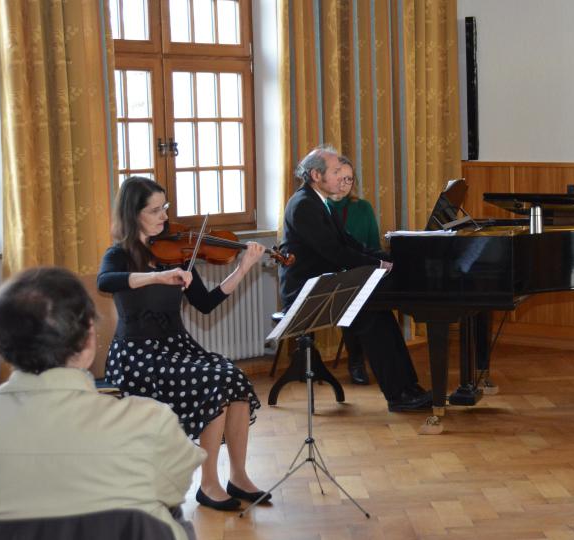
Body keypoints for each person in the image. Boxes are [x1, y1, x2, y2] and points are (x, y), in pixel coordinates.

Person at [0, 267, 205, 540]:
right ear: (89, 337)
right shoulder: (150, 421)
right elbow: (174, 489)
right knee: (172, 514)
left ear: (2, 344)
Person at [98, 176, 268, 511]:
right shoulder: (118, 254)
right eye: (155, 210)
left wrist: (244, 268)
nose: (164, 216)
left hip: (177, 347)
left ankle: (238, 476)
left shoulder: (176, 251)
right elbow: (106, 281)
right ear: (134, 215)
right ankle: (208, 484)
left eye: (166, 207)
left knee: (232, 376)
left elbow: (205, 303)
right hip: (137, 355)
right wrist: (156, 276)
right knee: (214, 381)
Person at [278, 145, 431, 412]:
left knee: (381, 311)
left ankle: (408, 388)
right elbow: (334, 253)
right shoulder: (304, 205)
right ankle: (398, 395)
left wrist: (390, 257)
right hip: (308, 293)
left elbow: (351, 244)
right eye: (336, 171)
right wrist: (379, 263)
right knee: (372, 316)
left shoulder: (321, 202)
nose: (342, 177)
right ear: (316, 175)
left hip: (327, 285)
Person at [328, 156, 380, 386]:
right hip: (333, 275)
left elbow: (373, 246)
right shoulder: (321, 208)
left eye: (350, 179)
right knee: (350, 297)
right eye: (341, 178)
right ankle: (356, 361)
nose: (345, 183)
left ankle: (379, 361)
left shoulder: (363, 207)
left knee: (375, 299)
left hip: (362, 271)